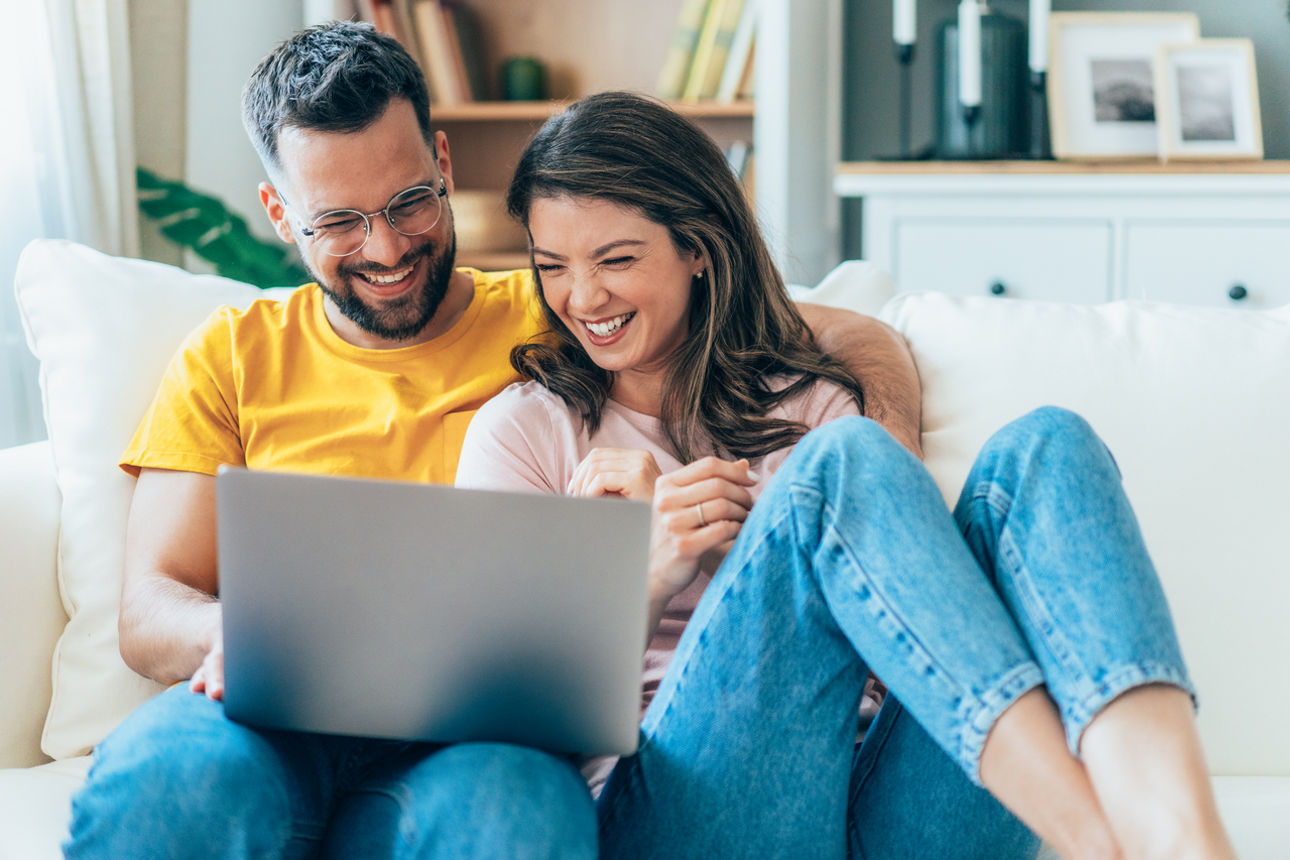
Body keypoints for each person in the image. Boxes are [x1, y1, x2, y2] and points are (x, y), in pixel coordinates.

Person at [63, 22, 922, 859]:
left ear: (442, 163)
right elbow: (147, 609)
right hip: (277, 708)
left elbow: (845, 334)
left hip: (476, 733)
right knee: (165, 787)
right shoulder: (231, 354)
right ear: (279, 213)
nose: (388, 247)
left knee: (513, 820)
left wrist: (888, 481)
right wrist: (231, 633)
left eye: (407, 202)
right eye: (339, 222)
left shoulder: (564, 305)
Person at [454, 91, 1237, 860]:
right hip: (692, 812)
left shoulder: (813, 401)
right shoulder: (524, 434)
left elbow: (918, 646)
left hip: (892, 801)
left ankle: (1182, 839)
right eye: (552, 266)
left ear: (698, 247)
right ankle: (1099, 840)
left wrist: (772, 563)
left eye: (616, 259)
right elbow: (503, 734)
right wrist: (645, 578)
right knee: (849, 458)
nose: (582, 298)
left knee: (1051, 446)